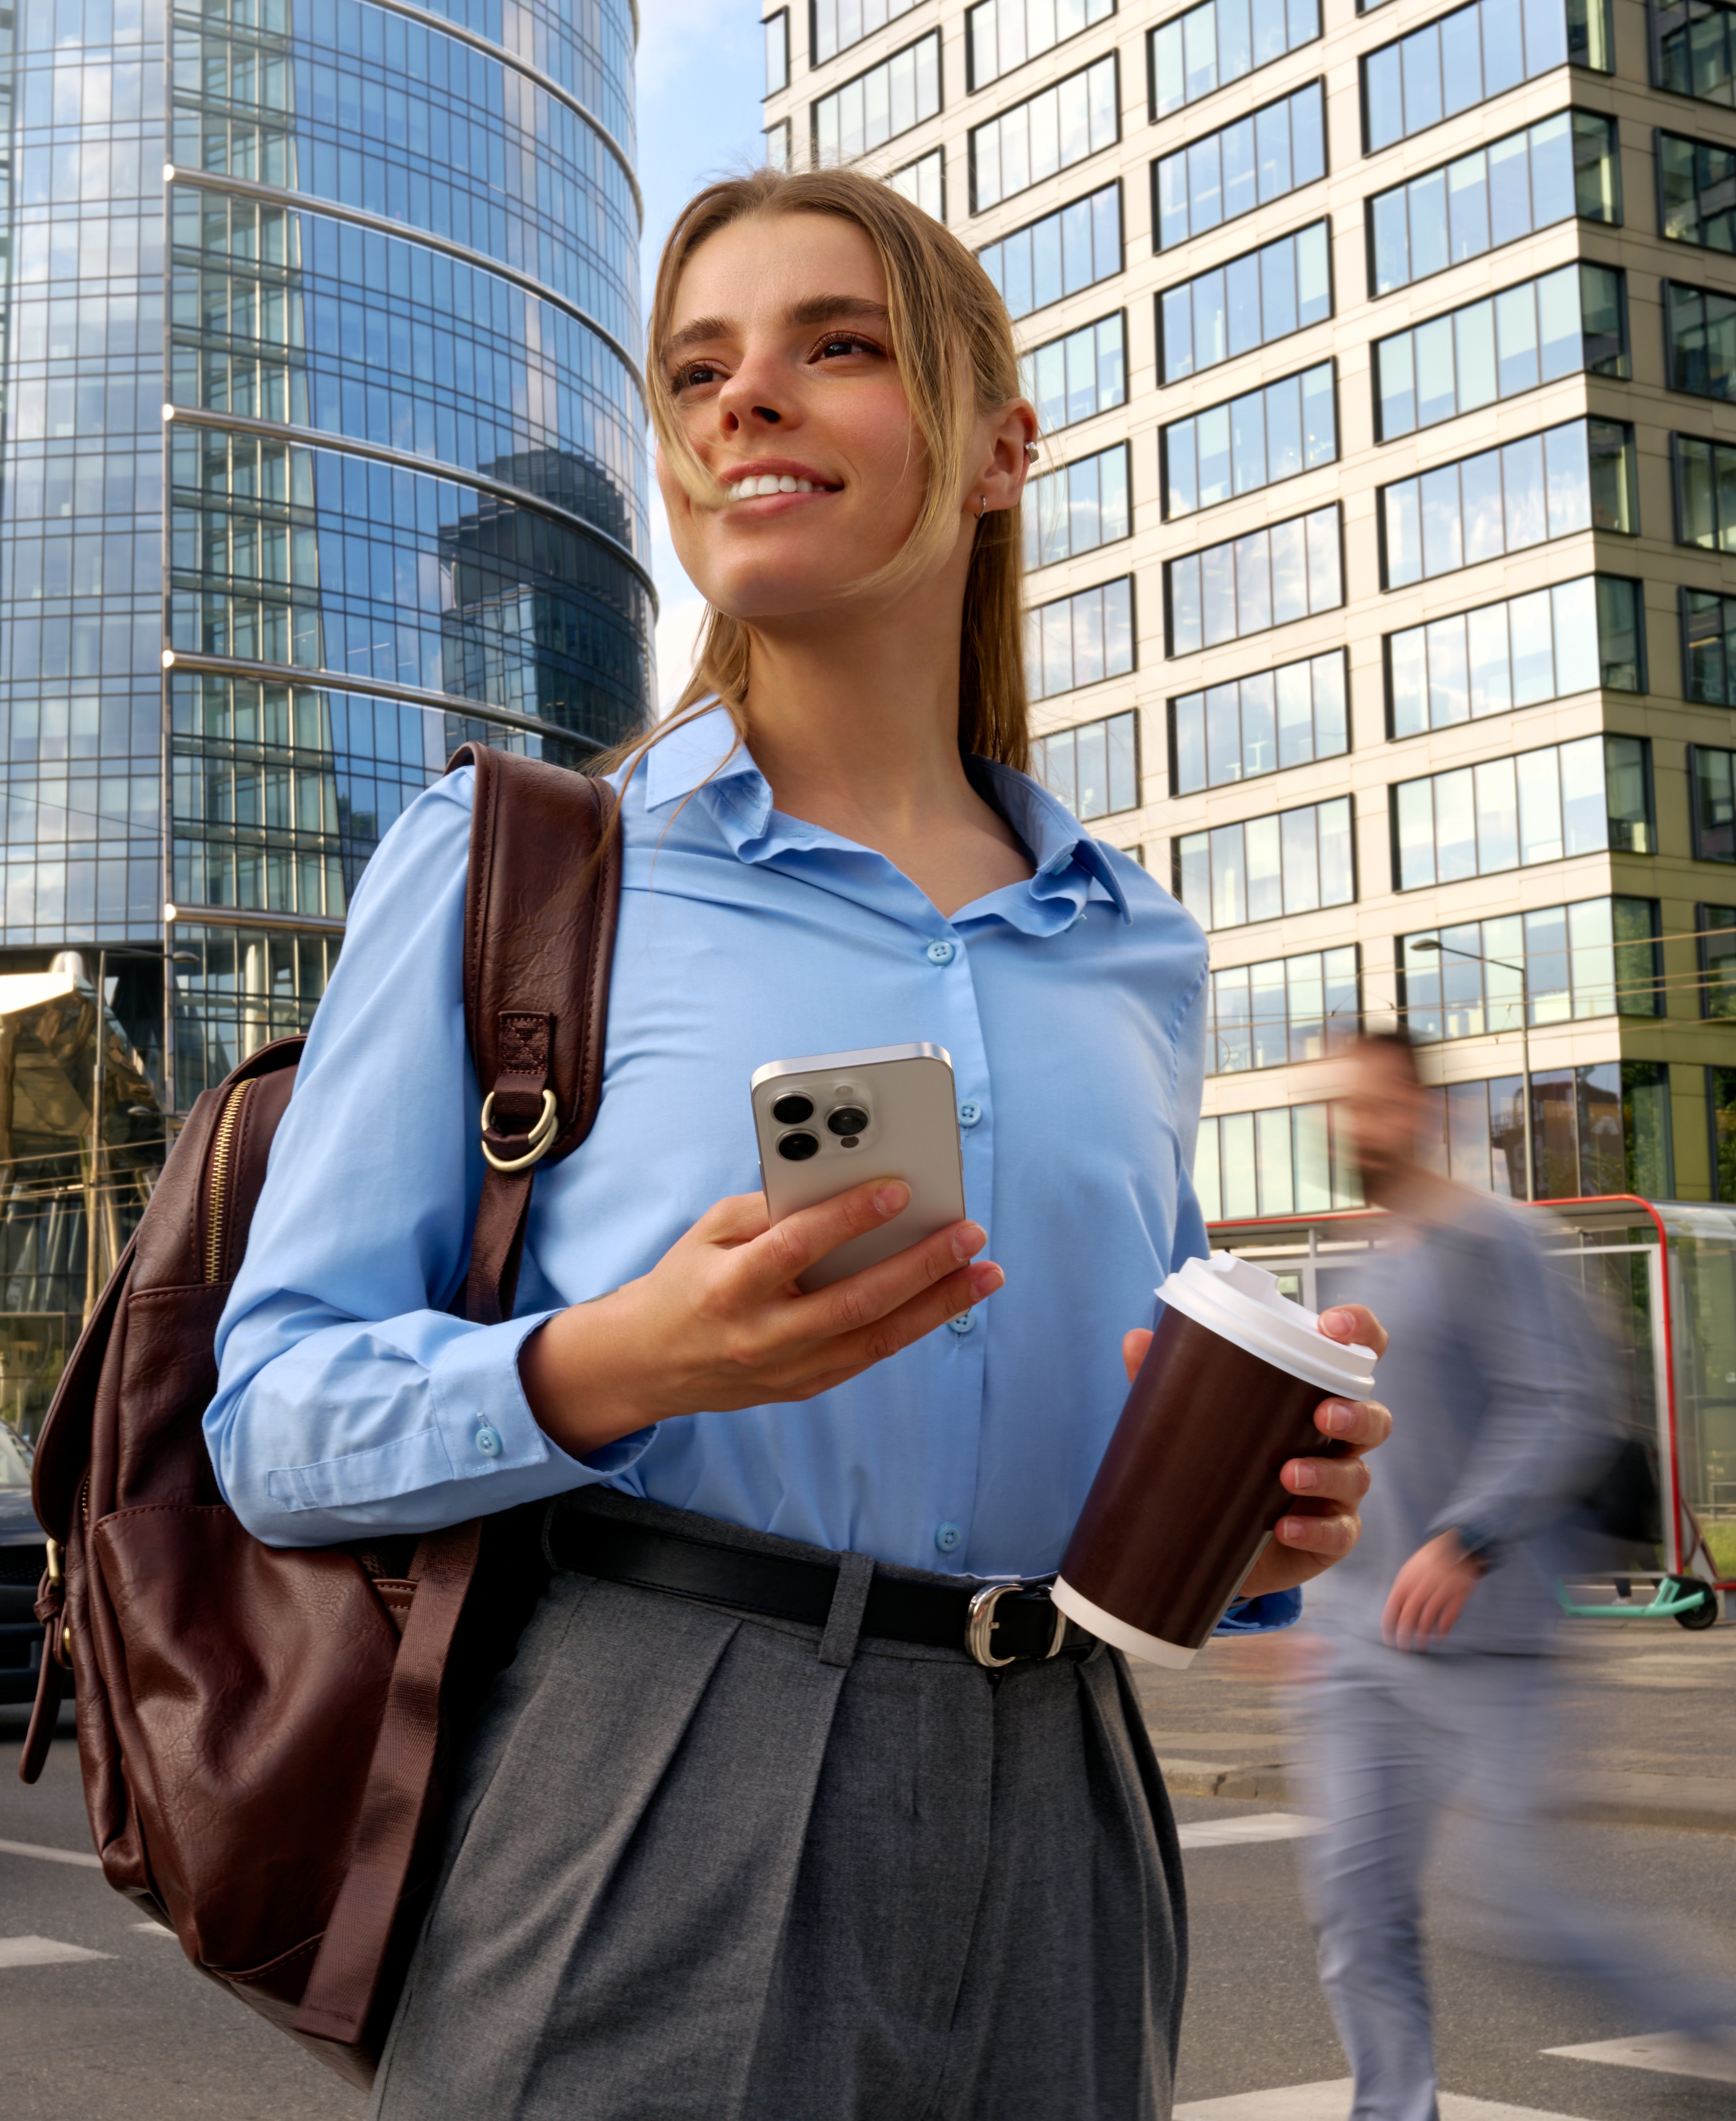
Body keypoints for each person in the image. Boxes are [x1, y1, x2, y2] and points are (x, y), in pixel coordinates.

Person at [206, 167, 1394, 2118]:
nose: (741, 398)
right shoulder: (523, 868)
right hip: (656, 1758)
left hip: (1069, 1792)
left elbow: (1124, 1410)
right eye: (697, 371)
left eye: (834, 346)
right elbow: (272, 1419)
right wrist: (620, 1362)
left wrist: (1253, 1528)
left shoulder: (1134, 947)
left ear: (998, 451)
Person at [1289, 1028, 1736, 2121]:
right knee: (1355, 1904)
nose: (1354, 1126)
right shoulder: (1369, 1267)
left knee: (1513, 1900)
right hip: (1360, 1639)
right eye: (1339, 1106)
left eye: (1372, 1103)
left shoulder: (1494, 1238)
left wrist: (1470, 1534)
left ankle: (1719, 2026)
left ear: (1423, 1112)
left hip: (1488, 1638)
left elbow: (1564, 1404)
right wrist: (1299, 1602)